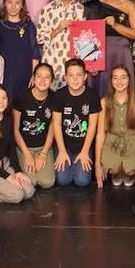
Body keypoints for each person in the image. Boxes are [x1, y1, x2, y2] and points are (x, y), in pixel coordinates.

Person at [84, 0, 135, 95]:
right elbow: (85, 37)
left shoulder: (129, 5)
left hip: (121, 54)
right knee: (99, 92)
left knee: (122, 91)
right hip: (97, 55)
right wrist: (90, 63)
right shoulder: (90, 6)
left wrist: (115, 25)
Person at [0, 83, 37, 203]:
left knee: (29, 191)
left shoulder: (8, 119)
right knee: (17, 196)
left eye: (4, 98)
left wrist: (18, 171)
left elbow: (11, 148)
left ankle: (4, 184)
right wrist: (8, 177)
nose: (1, 102)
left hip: (5, 163)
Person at [95, 65, 135, 187]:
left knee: (131, 168)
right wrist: (97, 165)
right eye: (115, 78)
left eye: (123, 77)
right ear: (111, 80)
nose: (119, 82)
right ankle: (117, 171)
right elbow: (100, 134)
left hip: (133, 142)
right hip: (111, 142)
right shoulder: (104, 102)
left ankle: (127, 172)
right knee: (113, 167)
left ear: (129, 79)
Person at [52, 59, 101, 187]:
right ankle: (69, 160)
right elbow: (56, 125)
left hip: (83, 145)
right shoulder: (59, 95)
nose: (75, 79)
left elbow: (92, 126)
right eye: (71, 75)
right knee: (63, 180)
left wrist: (85, 152)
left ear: (85, 76)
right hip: (65, 145)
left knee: (82, 181)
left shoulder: (92, 96)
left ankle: (77, 162)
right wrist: (62, 151)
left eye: (79, 75)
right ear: (65, 77)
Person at [13, 62, 57, 190]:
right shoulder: (21, 97)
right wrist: (27, 155)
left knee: (47, 182)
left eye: (47, 77)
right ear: (33, 77)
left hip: (44, 147)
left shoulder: (55, 98)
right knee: (30, 182)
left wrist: (43, 154)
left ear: (52, 80)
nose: (42, 80)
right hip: (24, 147)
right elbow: (15, 131)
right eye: (39, 76)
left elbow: (52, 129)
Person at [37, 0, 85, 90]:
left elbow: (84, 38)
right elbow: (40, 38)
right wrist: (59, 28)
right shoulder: (47, 9)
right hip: (53, 59)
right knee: (52, 95)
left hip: (73, 60)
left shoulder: (79, 9)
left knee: (72, 94)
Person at [0, 0, 41, 101]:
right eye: (10, 2)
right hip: (2, 73)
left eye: (17, 3)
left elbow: (35, 54)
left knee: (21, 106)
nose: (13, 6)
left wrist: (34, 75)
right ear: (4, 3)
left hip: (23, 74)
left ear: (22, 5)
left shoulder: (28, 25)